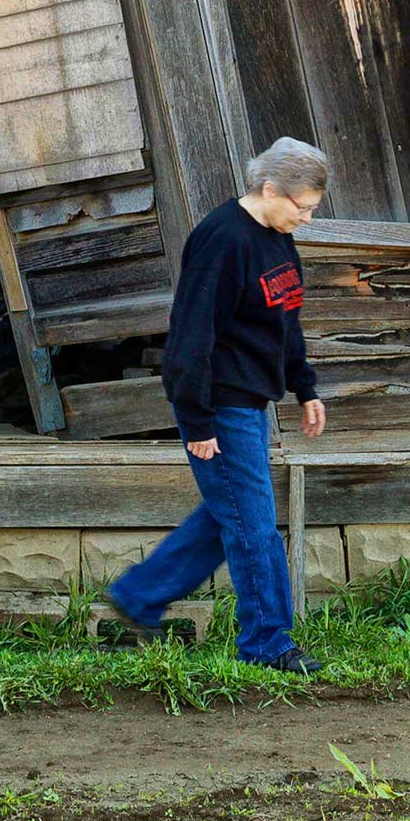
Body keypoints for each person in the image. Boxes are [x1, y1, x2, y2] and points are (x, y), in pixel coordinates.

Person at [105, 137, 329, 674]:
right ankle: (268, 645)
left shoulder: (279, 238)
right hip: (218, 403)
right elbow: (190, 336)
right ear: (269, 188)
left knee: (227, 513)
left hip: (250, 398)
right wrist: (198, 420)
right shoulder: (222, 240)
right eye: (302, 207)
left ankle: (139, 596)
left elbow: (283, 319)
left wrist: (305, 386)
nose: (306, 218)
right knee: (255, 528)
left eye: (313, 210)